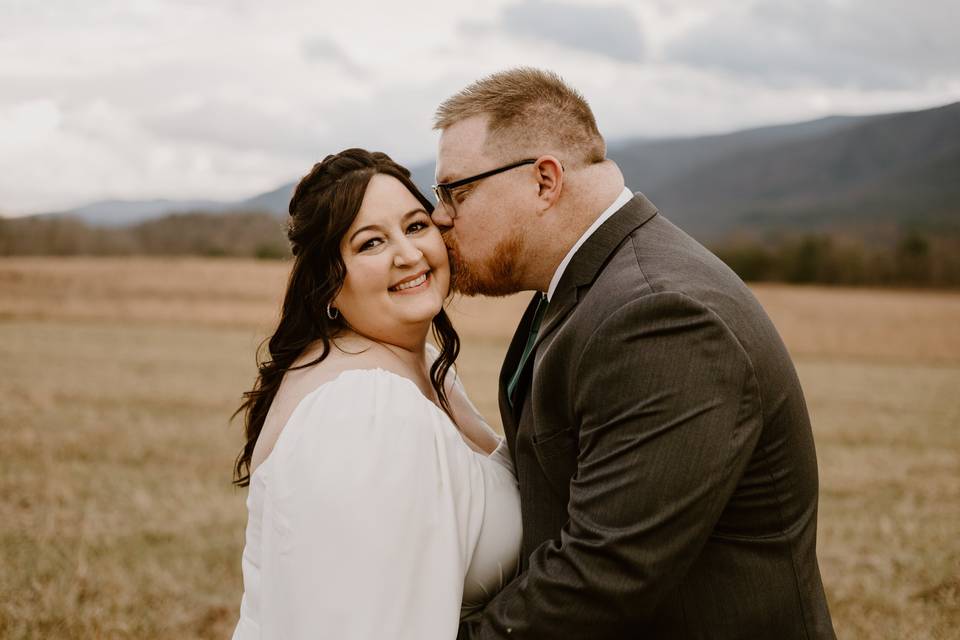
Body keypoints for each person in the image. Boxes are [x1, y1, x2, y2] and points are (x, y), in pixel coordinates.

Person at [431, 68, 836, 638]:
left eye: (456, 190)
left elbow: (604, 573)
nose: (440, 215)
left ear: (545, 181)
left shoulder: (661, 315)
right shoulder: (587, 286)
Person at [230, 149, 521, 639]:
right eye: (370, 244)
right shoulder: (363, 409)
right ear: (328, 282)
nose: (408, 255)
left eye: (414, 227)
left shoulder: (425, 366)